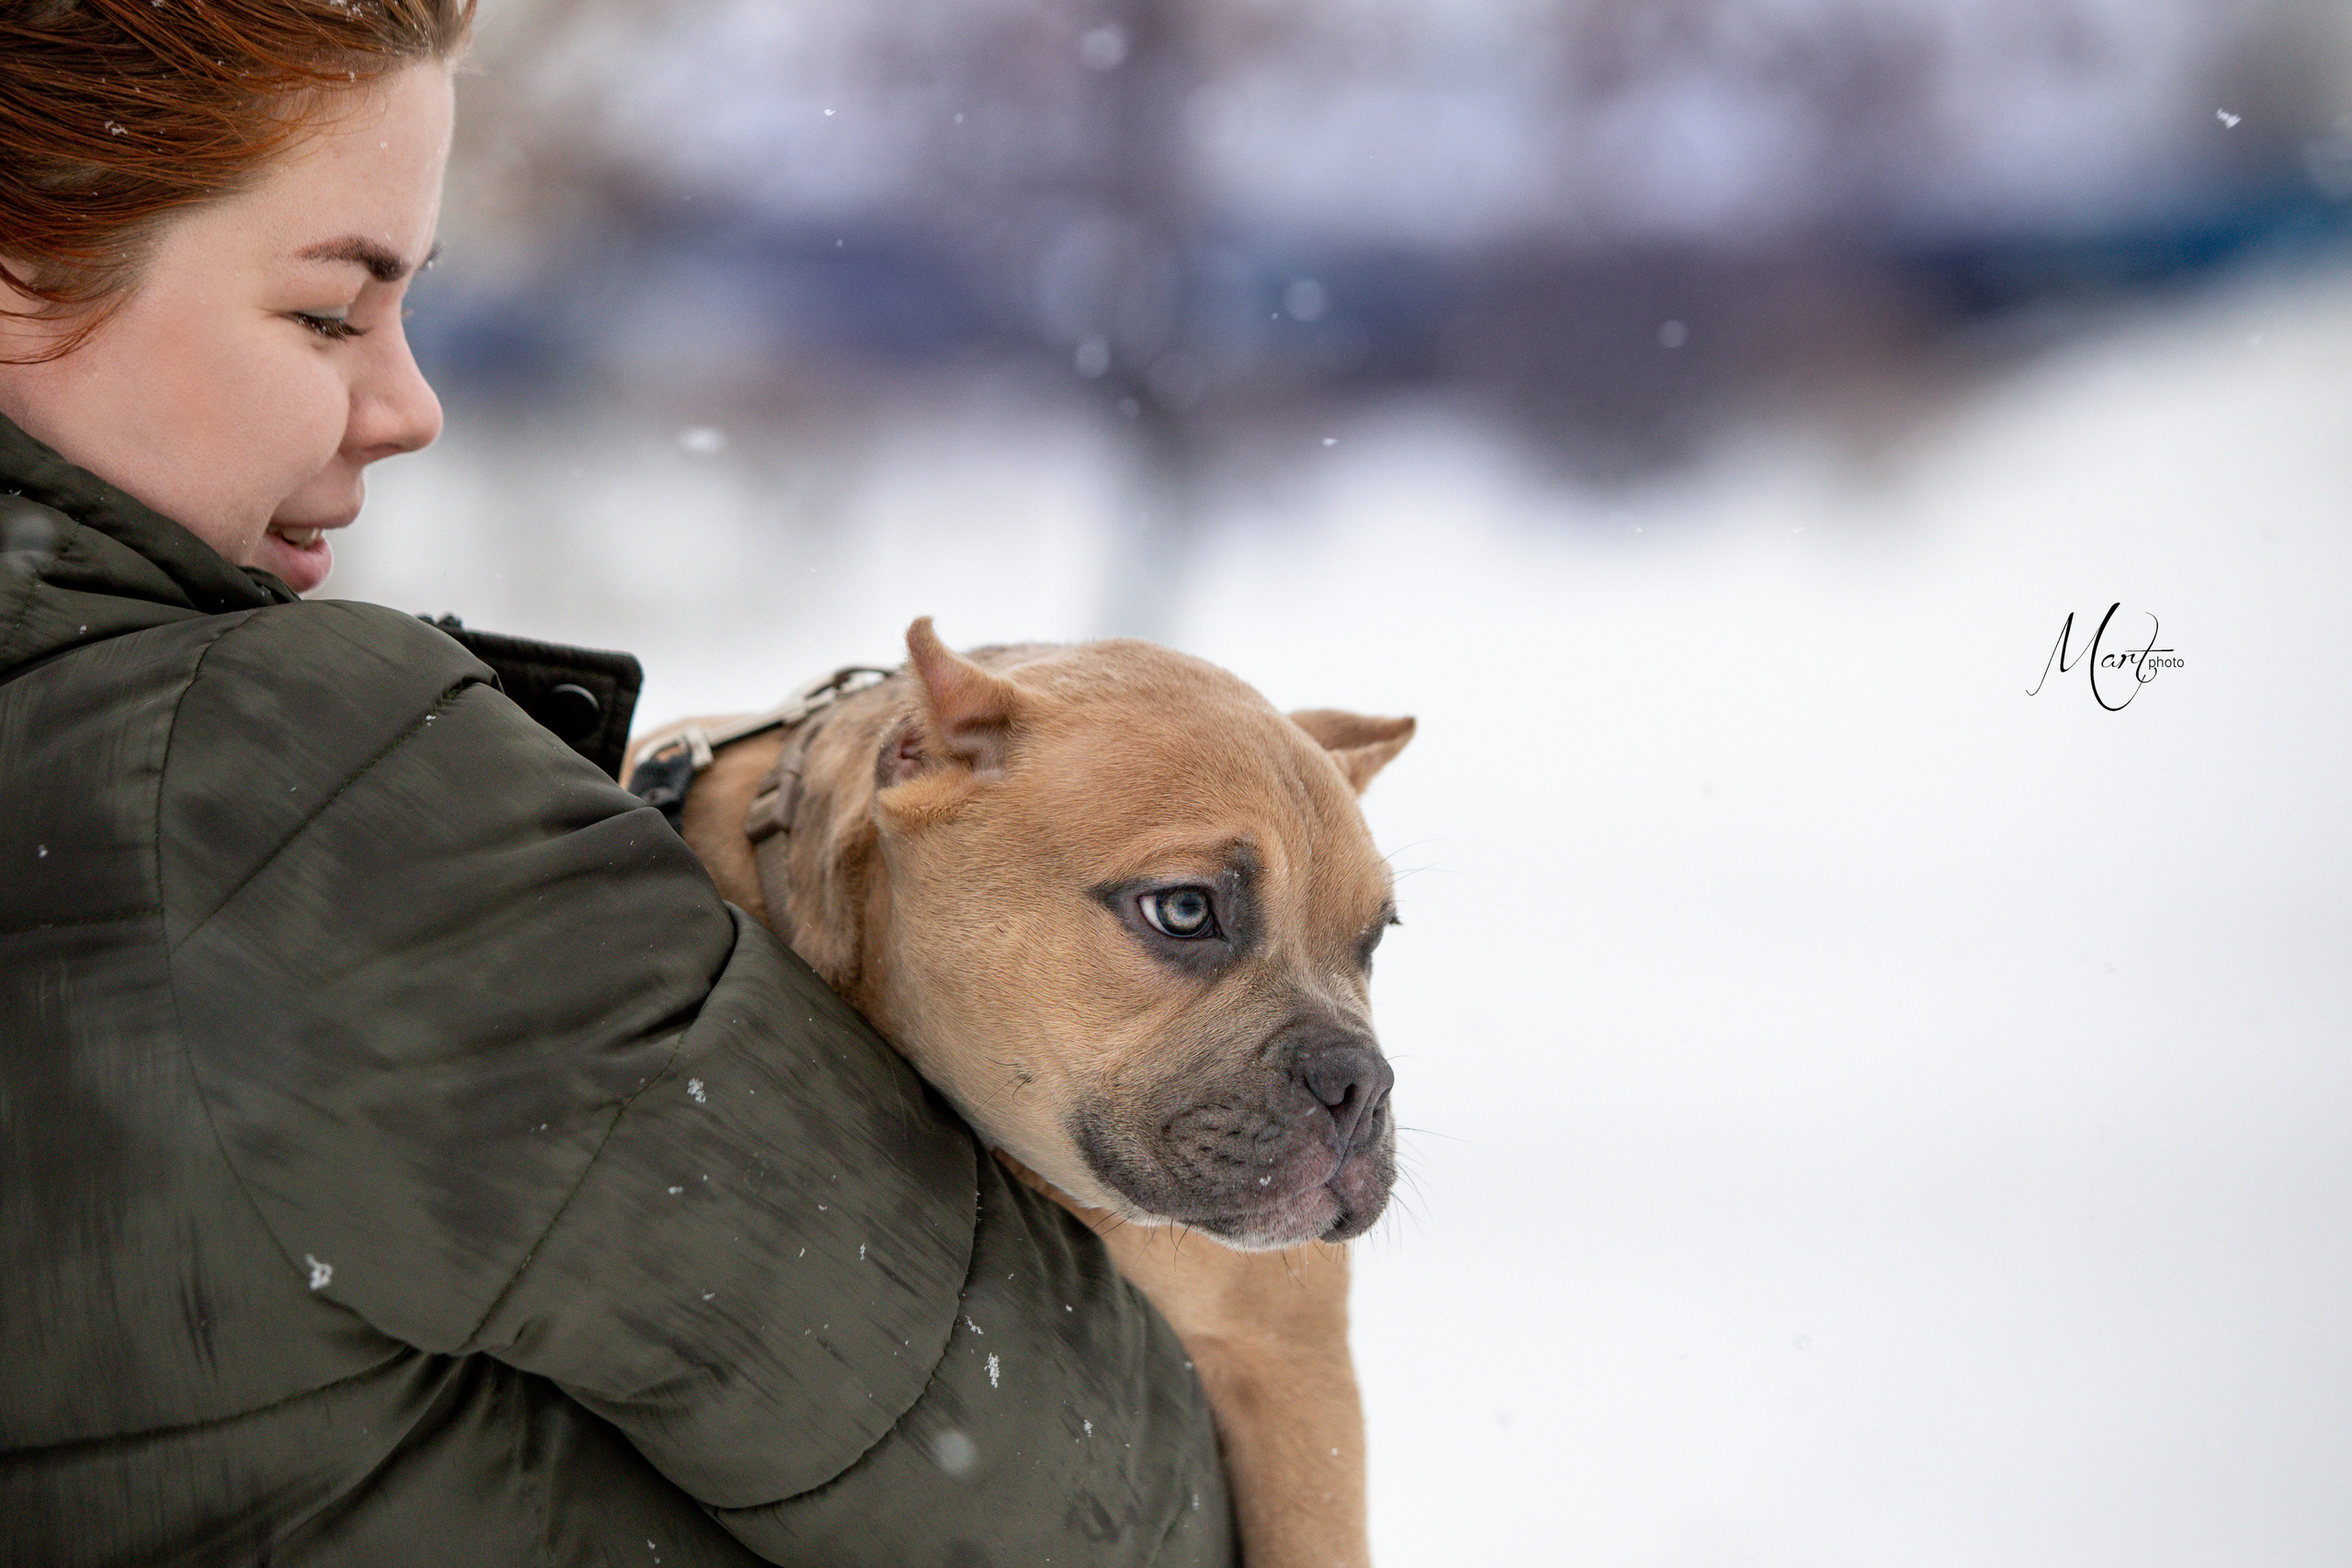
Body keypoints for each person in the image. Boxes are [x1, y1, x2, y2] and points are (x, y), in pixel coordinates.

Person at [0, 4, 1233, 1562]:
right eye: (327, 314)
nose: (411, 406)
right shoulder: (286, 780)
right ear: (23, 273)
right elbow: (1091, 1505)